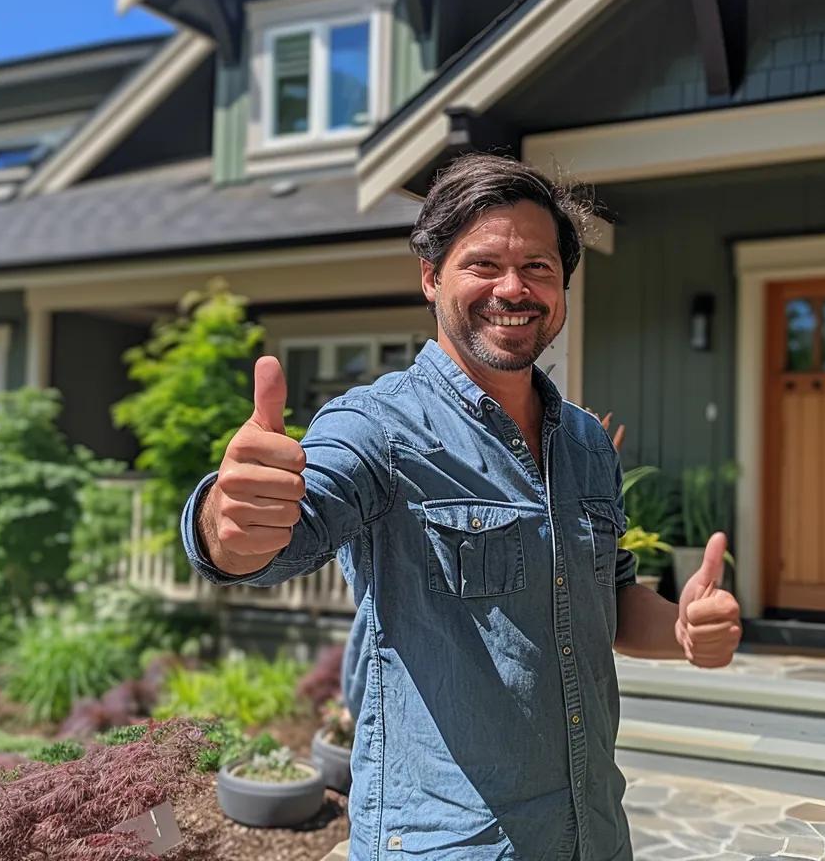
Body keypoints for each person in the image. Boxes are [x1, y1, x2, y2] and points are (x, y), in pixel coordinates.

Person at [180, 153, 742, 861]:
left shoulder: (589, 444)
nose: (514, 288)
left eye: (539, 267)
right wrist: (227, 524)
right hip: (450, 845)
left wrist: (688, 632)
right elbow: (272, 539)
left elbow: (609, 599)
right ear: (430, 276)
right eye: (483, 264)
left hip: (592, 833)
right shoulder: (376, 430)